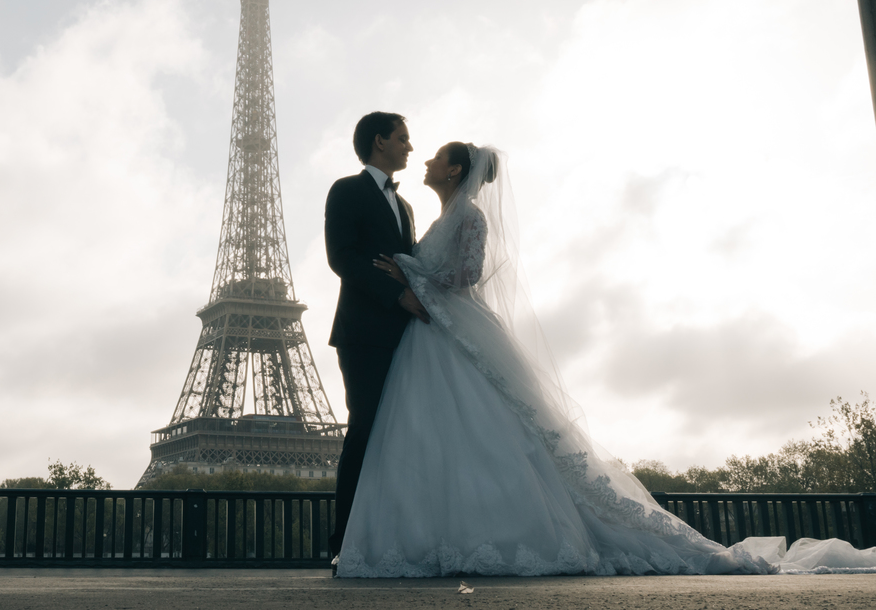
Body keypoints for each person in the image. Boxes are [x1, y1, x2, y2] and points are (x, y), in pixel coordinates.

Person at [336, 142, 784, 577]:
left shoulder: (469, 216)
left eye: (436, 157)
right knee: (430, 433)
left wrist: (412, 272)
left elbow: (468, 276)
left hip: (445, 330)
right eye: (410, 144)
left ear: (454, 170)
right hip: (429, 333)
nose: (423, 157)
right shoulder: (431, 215)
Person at [324, 112, 430, 561]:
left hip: (405, 335)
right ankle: (345, 544)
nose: (410, 146)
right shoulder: (346, 190)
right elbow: (342, 257)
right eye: (403, 138)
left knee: (403, 436)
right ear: (379, 140)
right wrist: (396, 296)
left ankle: (390, 538)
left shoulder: (405, 207)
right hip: (365, 332)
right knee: (364, 430)